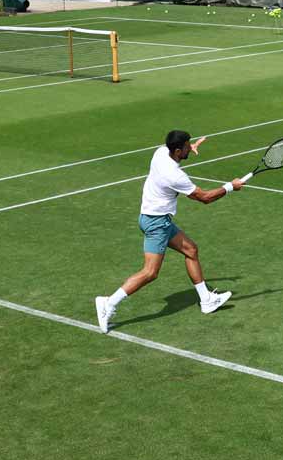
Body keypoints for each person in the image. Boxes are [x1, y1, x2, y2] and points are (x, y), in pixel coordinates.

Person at [95, 131, 249, 334]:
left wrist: (189, 148)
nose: (189, 147)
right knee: (150, 272)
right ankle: (108, 303)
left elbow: (176, 157)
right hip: (156, 223)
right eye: (186, 146)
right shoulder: (175, 176)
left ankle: (207, 300)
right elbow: (204, 198)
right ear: (177, 151)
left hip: (154, 218)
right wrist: (231, 186)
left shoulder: (160, 152)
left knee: (191, 250)